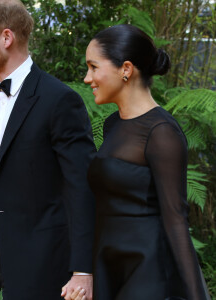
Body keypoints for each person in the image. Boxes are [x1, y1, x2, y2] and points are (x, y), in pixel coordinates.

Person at [0, 0, 96, 299]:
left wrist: (83, 269)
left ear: (6, 37)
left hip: (51, 262)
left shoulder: (59, 100)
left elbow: (82, 187)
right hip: (3, 254)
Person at [79, 24, 211, 300]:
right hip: (108, 266)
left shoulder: (162, 132)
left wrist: (197, 296)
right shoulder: (113, 124)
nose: (87, 78)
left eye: (93, 67)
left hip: (148, 273)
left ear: (126, 69)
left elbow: (176, 220)